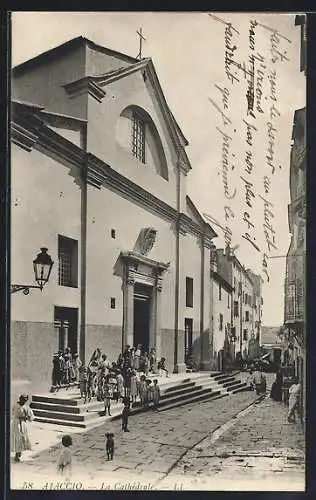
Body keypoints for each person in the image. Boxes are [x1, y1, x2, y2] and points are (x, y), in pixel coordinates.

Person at [11, 394, 34, 462]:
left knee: (22, 438)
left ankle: (19, 452)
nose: (23, 401)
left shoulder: (26, 407)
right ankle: (17, 454)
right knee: (18, 438)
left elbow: (31, 416)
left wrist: (27, 417)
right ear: (20, 399)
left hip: (23, 424)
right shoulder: (15, 405)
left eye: (25, 400)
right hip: (16, 424)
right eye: (22, 400)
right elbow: (13, 413)